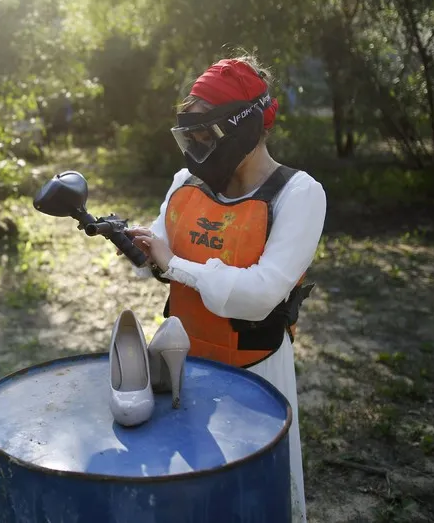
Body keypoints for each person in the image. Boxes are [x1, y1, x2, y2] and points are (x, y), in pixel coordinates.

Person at [125, 56, 327, 523]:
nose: (195, 148)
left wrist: (175, 264)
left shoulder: (299, 195)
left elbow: (260, 295)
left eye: (204, 135)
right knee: (191, 489)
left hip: (255, 374)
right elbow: (160, 256)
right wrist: (142, 254)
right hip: (182, 360)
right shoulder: (184, 183)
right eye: (188, 136)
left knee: (255, 494)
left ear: (245, 125)